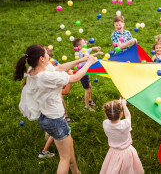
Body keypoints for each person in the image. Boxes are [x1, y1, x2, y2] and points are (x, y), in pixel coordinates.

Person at [14, 44, 98, 174]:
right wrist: (89, 64)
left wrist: (82, 60)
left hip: (45, 117)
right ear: (41, 58)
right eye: (46, 53)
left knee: (69, 145)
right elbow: (74, 78)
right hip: (55, 120)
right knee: (64, 157)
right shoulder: (45, 77)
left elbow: (59, 68)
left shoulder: (34, 69)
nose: (49, 55)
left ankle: (76, 171)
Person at [100, 98, 144, 174]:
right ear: (121, 114)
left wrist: (118, 105)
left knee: (114, 168)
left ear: (106, 115)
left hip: (114, 152)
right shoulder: (125, 124)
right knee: (128, 169)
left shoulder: (105, 124)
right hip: (127, 152)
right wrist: (123, 104)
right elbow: (128, 116)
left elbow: (113, 115)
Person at [72, 38, 103, 111]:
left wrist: (96, 49)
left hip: (86, 71)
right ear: (79, 47)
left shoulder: (85, 49)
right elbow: (87, 56)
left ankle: (89, 100)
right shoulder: (81, 52)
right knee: (87, 89)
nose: (85, 43)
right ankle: (86, 106)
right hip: (82, 73)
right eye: (83, 43)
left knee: (89, 86)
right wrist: (93, 57)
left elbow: (91, 49)